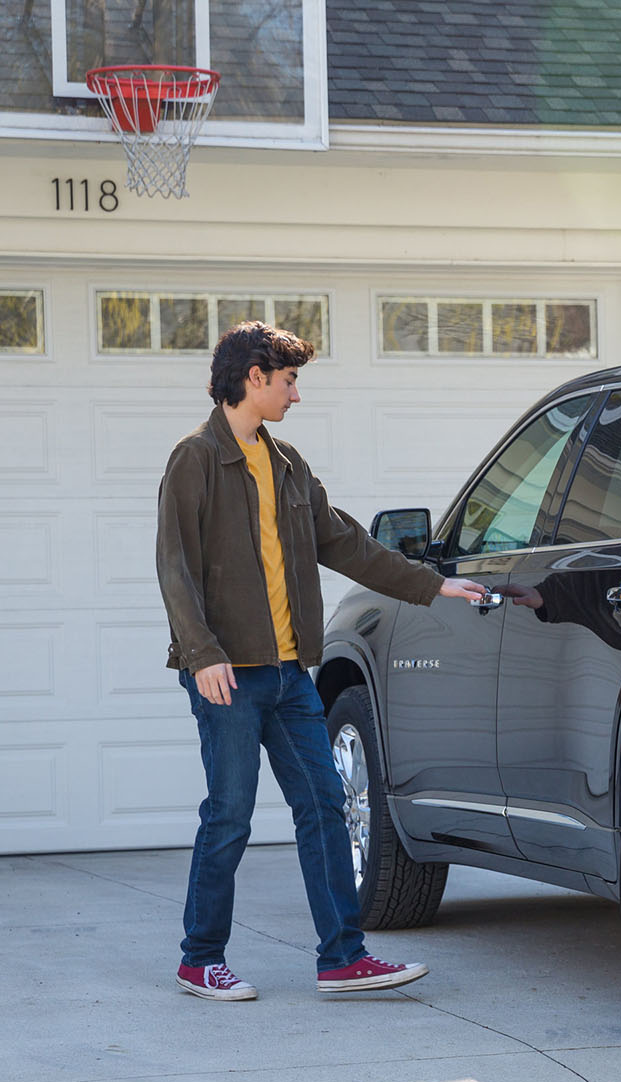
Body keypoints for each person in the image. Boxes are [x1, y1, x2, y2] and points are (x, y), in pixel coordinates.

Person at [155, 322, 487, 1000]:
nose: (295, 395)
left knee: (325, 804)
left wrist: (433, 584)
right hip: (228, 675)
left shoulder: (287, 466)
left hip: (287, 674)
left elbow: (346, 544)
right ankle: (200, 956)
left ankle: (343, 956)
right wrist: (203, 653)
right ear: (254, 377)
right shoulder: (195, 459)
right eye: (288, 380)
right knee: (230, 813)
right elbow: (174, 567)